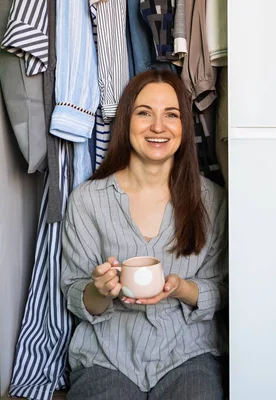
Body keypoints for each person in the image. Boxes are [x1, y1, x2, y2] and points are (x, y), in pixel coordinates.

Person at [61, 70, 227, 400]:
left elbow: (221, 290)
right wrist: (100, 289)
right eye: (144, 113)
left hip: (187, 353)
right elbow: (74, 292)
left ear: (184, 127)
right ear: (126, 121)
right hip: (105, 356)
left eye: (171, 115)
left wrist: (180, 288)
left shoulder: (212, 199)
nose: (157, 127)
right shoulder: (87, 200)